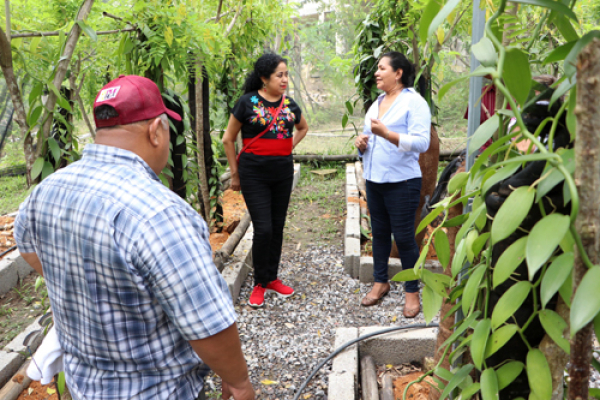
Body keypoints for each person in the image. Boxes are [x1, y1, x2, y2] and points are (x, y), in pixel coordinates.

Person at [14, 75, 255, 400]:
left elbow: (27, 246)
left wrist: (82, 283)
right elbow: (208, 325)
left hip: (83, 388)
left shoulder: (46, 191)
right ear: (156, 131)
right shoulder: (161, 213)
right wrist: (238, 382)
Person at [222, 54, 309, 308]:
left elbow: (303, 127)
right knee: (264, 228)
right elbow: (229, 139)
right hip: (253, 174)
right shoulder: (246, 103)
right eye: (279, 75)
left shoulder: (290, 105)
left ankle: (272, 277)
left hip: (282, 173)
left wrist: (287, 147)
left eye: (286, 74)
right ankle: (259, 282)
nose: (284, 79)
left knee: (277, 227)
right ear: (264, 78)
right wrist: (235, 174)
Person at [354, 52, 431, 318]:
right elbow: (368, 139)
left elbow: (423, 143)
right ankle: (380, 282)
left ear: (397, 73)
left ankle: (411, 291)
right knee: (379, 233)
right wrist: (362, 144)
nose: (377, 72)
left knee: (405, 238)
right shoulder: (376, 103)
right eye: (377, 68)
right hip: (375, 180)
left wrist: (388, 134)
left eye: (382, 68)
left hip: (403, 181)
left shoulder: (414, 103)